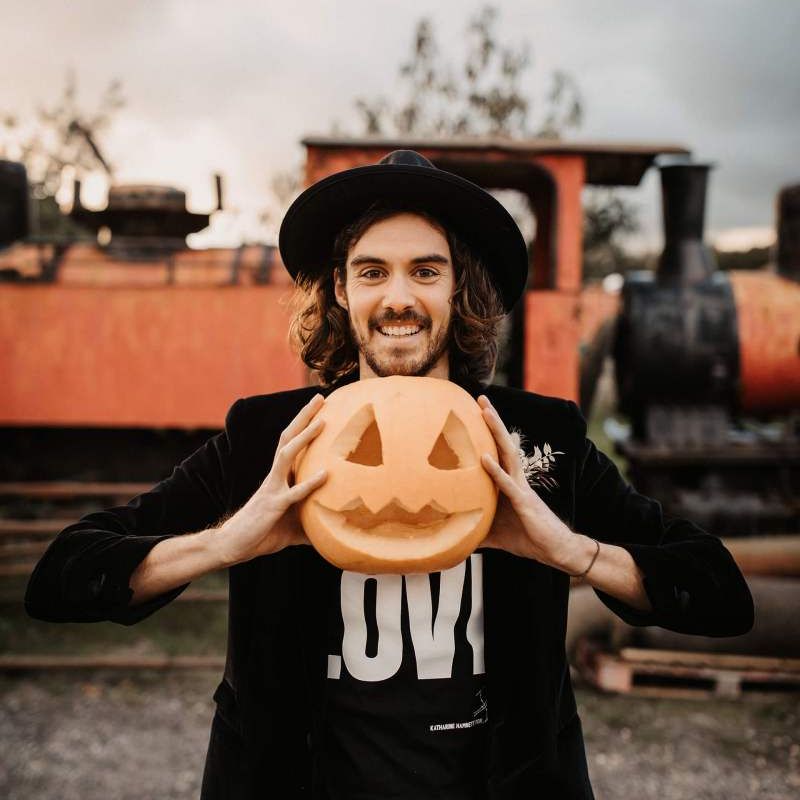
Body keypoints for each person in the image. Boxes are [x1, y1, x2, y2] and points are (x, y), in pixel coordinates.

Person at [25, 150, 754, 800]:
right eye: (372, 271)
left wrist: (574, 553)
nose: (398, 297)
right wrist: (223, 543)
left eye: (425, 271)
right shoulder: (270, 439)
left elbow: (718, 593)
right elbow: (62, 578)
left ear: (456, 289)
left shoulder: (539, 438)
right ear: (340, 291)